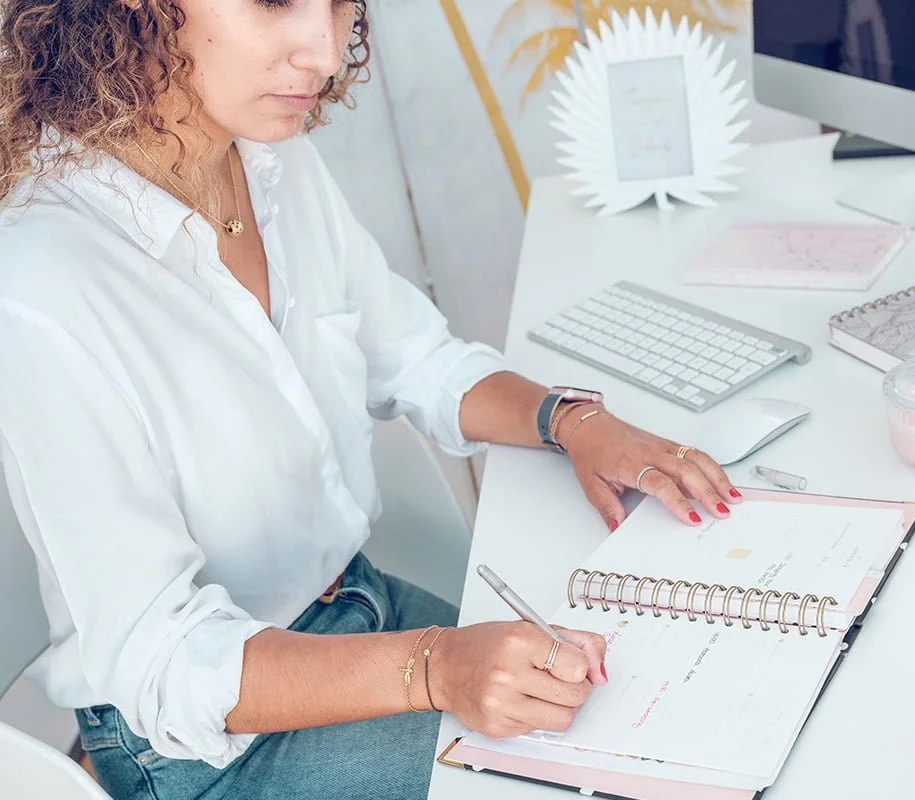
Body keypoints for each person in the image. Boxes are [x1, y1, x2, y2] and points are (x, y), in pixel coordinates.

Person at [0, 2, 742, 798]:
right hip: (202, 744)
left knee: (665, 697)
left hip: (360, 607)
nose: (324, 51)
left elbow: (414, 358)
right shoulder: (46, 279)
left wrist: (571, 421)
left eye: (341, 2)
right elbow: (163, 658)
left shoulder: (265, 154)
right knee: (613, 777)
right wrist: (435, 669)